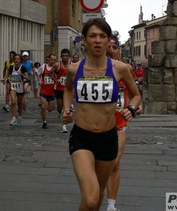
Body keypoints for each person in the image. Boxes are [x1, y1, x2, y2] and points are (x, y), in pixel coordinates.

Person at [62, 18, 141, 211]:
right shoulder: (74, 69)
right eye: (93, 36)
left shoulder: (120, 68)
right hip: (82, 137)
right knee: (90, 199)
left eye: (102, 36)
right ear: (84, 40)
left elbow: (137, 95)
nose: (97, 40)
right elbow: (68, 90)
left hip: (108, 138)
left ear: (108, 41)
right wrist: (66, 109)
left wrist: (130, 109)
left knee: (96, 201)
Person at [105, 37, 141, 211]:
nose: (112, 50)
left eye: (115, 47)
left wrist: (135, 107)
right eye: (108, 47)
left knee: (115, 163)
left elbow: (134, 93)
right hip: (97, 123)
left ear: (119, 50)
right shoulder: (94, 69)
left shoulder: (126, 69)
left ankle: (111, 205)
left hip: (119, 122)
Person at [3, 54, 28, 126]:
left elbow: (27, 77)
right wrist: (4, 79)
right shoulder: (11, 67)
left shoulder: (23, 68)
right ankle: (13, 118)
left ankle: (19, 117)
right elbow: (8, 74)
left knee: (20, 104)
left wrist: (22, 75)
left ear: (20, 60)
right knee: (13, 102)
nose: (16, 60)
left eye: (18, 59)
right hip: (13, 86)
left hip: (20, 87)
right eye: (15, 59)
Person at [49, 49, 71, 133]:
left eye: (66, 56)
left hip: (68, 90)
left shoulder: (72, 65)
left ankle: (64, 126)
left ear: (69, 56)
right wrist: (55, 80)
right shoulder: (57, 65)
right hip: (59, 89)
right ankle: (59, 112)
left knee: (66, 108)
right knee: (59, 107)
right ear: (61, 56)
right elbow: (50, 73)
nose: (65, 58)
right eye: (63, 56)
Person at [36, 54, 56, 129]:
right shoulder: (43, 67)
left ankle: (52, 106)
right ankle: (44, 121)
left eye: (54, 60)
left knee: (49, 109)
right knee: (43, 106)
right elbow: (38, 74)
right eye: (52, 60)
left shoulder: (56, 68)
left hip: (52, 91)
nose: (53, 61)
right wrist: (39, 80)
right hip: (44, 90)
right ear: (48, 59)